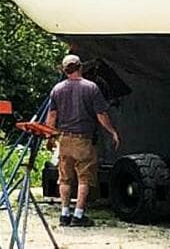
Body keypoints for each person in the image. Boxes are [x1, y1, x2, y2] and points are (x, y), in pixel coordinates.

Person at [45, 54, 120, 227]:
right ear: (80, 67)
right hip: (83, 140)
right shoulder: (91, 88)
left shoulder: (57, 89)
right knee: (84, 179)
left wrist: (49, 137)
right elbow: (101, 114)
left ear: (64, 70)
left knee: (64, 178)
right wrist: (112, 131)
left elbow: (52, 116)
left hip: (64, 140)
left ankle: (64, 214)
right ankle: (78, 215)